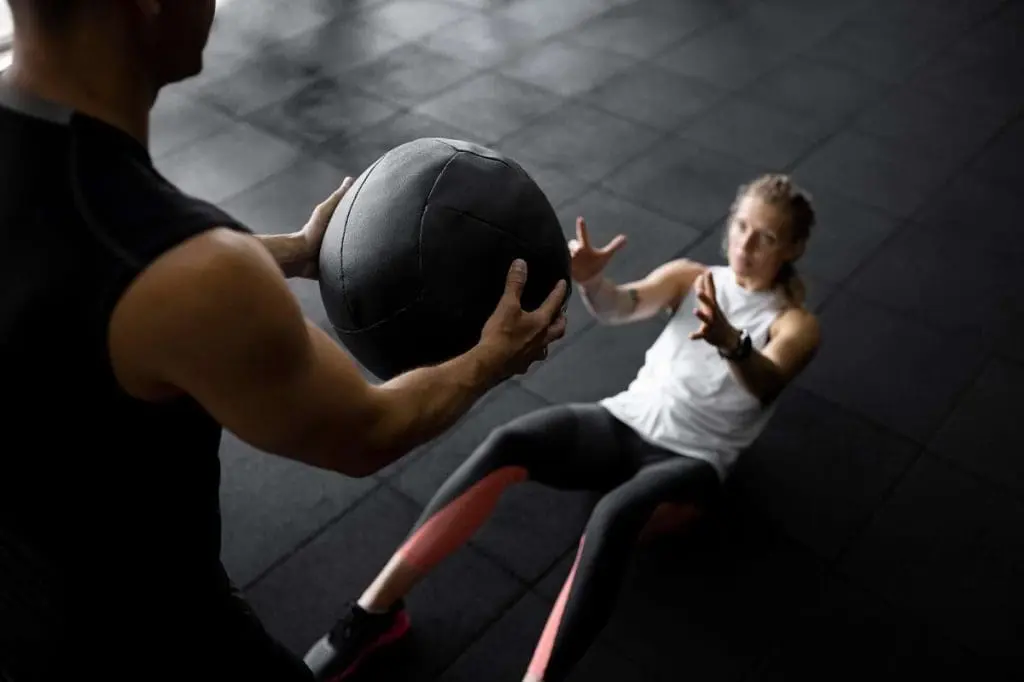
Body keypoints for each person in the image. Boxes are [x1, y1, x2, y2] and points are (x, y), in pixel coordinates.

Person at [0, 2, 567, 680]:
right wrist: (487, 361)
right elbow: (367, 429)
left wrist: (297, 252)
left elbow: (82, 266)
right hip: (145, 635)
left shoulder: (129, 240)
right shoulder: (190, 271)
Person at [303, 173, 823, 682]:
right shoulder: (693, 277)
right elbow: (621, 308)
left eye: (767, 237)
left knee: (614, 515)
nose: (746, 244)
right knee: (511, 441)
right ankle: (374, 613)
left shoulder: (793, 324)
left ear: (793, 248)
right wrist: (593, 279)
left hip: (693, 462)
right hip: (626, 419)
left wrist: (732, 342)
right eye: (741, 226)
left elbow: (766, 384)